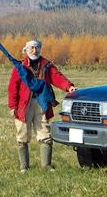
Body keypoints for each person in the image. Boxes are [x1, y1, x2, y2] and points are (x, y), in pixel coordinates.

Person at [7, 39, 76, 172]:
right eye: (32, 48)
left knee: (45, 132)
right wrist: (12, 106)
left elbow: (57, 77)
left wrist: (69, 87)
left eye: (37, 47)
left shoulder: (47, 65)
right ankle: (24, 167)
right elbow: (13, 87)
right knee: (22, 134)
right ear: (26, 50)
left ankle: (46, 166)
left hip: (42, 103)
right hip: (23, 105)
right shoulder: (20, 67)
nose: (35, 50)